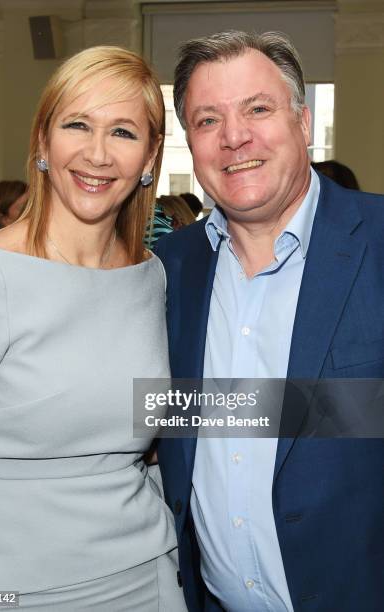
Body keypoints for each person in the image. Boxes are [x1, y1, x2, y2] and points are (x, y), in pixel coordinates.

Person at [0, 46, 187, 611]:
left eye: (124, 132)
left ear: (151, 155)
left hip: (147, 573)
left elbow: (157, 411)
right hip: (9, 588)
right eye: (77, 124)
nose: (97, 153)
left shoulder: (151, 276)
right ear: (42, 140)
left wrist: (346, 410)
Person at [154, 31, 384, 612]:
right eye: (208, 120)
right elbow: (172, 416)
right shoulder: (167, 270)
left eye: (258, 108)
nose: (235, 137)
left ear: (303, 123)